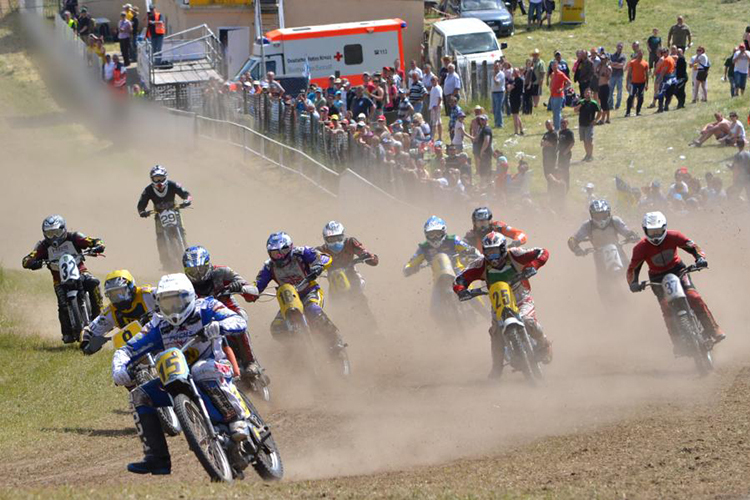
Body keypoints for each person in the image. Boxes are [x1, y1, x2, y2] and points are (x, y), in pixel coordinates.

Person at [112, 274, 251, 474]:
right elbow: (127, 349)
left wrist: (220, 325)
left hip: (216, 365)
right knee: (139, 396)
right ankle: (156, 458)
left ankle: (237, 418)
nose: (174, 308)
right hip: (177, 373)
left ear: (190, 297)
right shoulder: (157, 324)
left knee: (201, 369)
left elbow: (238, 319)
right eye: (167, 303)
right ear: (159, 303)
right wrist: (119, 367)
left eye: (178, 301)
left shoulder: (207, 306)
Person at [453, 232, 552, 378]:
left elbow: (542, 252)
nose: (493, 256)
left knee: (528, 321)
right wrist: (461, 291)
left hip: (521, 298)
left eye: (495, 251)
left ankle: (544, 343)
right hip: (498, 303)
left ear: (503, 248)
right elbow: (460, 279)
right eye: (489, 252)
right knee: (495, 334)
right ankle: (496, 368)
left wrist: (533, 266)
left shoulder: (515, 254)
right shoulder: (480, 264)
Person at [627, 212, 725, 354]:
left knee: (694, 297)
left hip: (678, 270)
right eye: (651, 231)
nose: (655, 235)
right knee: (666, 308)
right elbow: (633, 269)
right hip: (657, 278)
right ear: (645, 230)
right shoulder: (640, 248)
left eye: (658, 231)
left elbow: (693, 246)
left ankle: (714, 329)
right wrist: (633, 283)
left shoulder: (674, 236)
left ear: (664, 228)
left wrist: (700, 259)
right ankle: (678, 344)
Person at [181, 246, 267, 384]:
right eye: (192, 271)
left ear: (208, 265)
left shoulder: (222, 272)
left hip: (228, 309)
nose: (197, 275)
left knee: (240, 321)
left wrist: (239, 287)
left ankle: (250, 362)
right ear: (185, 270)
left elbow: (254, 292)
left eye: (201, 269)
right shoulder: (182, 283)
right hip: (201, 318)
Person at [251, 232, 346, 355]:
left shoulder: (301, 253)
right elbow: (257, 285)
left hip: (309, 292)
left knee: (313, 310)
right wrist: (246, 290)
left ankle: (334, 338)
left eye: (283, 251)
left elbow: (324, 257)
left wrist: (318, 266)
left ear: (290, 247)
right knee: (276, 328)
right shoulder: (269, 267)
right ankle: (296, 350)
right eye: (275, 253)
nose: (280, 256)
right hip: (288, 300)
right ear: (269, 253)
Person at [21, 215, 105, 343]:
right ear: (44, 234)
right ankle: (67, 333)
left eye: (57, 232)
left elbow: (95, 240)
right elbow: (27, 260)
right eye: (50, 234)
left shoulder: (74, 237)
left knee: (93, 283)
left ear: (64, 229)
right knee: (62, 303)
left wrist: (97, 246)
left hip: (80, 271)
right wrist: (33, 263)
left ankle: (99, 316)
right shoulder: (42, 246)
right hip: (59, 280)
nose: (54, 237)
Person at [403, 217, 481, 314]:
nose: (435, 237)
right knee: (434, 311)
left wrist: (471, 252)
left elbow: (469, 249)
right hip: (438, 280)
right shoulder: (424, 248)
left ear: (443, 231)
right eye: (432, 234)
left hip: (458, 273)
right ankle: (446, 325)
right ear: (426, 234)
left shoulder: (453, 240)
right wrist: (409, 268)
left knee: (475, 298)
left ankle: (488, 316)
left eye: (438, 233)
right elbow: (412, 261)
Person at [316, 221, 379, 325]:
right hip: (334, 281)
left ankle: (373, 327)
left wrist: (368, 257)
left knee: (360, 299)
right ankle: (344, 330)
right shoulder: (321, 250)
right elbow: (308, 262)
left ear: (343, 236)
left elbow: (370, 257)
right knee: (337, 308)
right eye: (332, 239)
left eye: (338, 238)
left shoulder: (350, 243)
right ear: (325, 239)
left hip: (352, 274)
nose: (336, 242)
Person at [568, 200, 639, 291]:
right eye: (597, 216)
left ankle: (637, 287)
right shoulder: (588, 225)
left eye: (603, 215)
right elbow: (573, 239)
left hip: (617, 249)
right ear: (592, 215)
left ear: (608, 213)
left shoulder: (615, 220)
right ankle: (607, 298)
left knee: (630, 269)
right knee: (602, 281)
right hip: (598, 253)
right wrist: (577, 249)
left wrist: (632, 236)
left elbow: (626, 231)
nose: (600, 218)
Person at [79, 270, 154, 355]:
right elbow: (89, 331)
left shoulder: (147, 295)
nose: (117, 299)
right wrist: (86, 344)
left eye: (120, 293)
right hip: (136, 350)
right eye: (113, 295)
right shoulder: (111, 312)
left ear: (131, 288)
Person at [136, 165, 192, 269]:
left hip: (174, 211)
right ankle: (165, 262)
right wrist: (143, 212)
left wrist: (186, 201)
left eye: (161, 178)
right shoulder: (148, 190)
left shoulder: (173, 185)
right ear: (151, 179)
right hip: (159, 214)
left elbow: (186, 193)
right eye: (156, 179)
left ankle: (188, 256)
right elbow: (141, 204)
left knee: (182, 232)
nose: (159, 182)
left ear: (165, 177)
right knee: (160, 237)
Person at [574, 88, 599, 162]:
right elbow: (575, 110)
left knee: (589, 141)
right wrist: (580, 105)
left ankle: (590, 155)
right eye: (586, 93)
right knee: (584, 141)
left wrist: (595, 120)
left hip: (589, 125)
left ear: (591, 94)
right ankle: (587, 154)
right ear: (584, 94)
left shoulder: (594, 103)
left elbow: (600, 111)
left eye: (589, 93)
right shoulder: (581, 102)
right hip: (582, 124)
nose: (588, 94)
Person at [548, 60, 571, 131]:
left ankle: (557, 128)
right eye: (552, 66)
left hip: (559, 96)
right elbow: (551, 83)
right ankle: (561, 124)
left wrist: (562, 89)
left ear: (557, 65)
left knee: (557, 112)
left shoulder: (561, 74)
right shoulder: (552, 74)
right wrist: (551, 87)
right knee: (554, 112)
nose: (553, 67)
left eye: (555, 65)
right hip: (552, 95)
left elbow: (569, 82)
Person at [625, 51, 649, 117]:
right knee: (631, 97)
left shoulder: (645, 63)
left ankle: (638, 111)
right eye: (639, 54)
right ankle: (628, 112)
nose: (640, 56)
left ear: (643, 55)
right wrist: (627, 83)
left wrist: (647, 84)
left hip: (642, 83)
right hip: (634, 83)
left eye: (641, 54)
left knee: (641, 97)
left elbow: (647, 74)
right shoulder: (632, 62)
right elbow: (629, 73)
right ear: (637, 55)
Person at [473, 115, 493, 184]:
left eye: (483, 119)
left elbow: (486, 141)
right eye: (480, 120)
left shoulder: (486, 129)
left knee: (485, 170)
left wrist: (482, 151)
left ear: (486, 120)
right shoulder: (482, 129)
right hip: (483, 153)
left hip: (485, 153)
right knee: (483, 170)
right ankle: (484, 184)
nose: (481, 121)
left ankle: (486, 185)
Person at [541, 120, 558, 192]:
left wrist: (546, 143)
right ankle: (550, 188)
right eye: (546, 125)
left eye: (548, 124)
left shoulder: (554, 134)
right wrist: (546, 143)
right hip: (545, 157)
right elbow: (541, 143)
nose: (547, 126)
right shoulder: (546, 134)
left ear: (552, 124)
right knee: (546, 173)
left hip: (551, 157)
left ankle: (554, 187)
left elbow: (552, 144)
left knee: (551, 172)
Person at [609, 43, 627, 110]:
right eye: (619, 47)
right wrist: (616, 64)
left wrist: (614, 64)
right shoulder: (612, 56)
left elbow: (622, 65)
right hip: (612, 75)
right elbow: (610, 64)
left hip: (620, 76)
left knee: (619, 91)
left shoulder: (623, 56)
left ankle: (617, 105)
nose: (620, 48)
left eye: (621, 47)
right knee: (610, 90)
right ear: (616, 47)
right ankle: (611, 105)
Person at [595, 55, 612, 124]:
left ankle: (603, 119)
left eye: (603, 59)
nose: (602, 60)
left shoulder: (608, 67)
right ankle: (607, 119)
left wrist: (605, 74)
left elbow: (608, 77)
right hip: (600, 86)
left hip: (605, 86)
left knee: (604, 103)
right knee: (603, 102)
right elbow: (596, 72)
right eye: (601, 59)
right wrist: (599, 66)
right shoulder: (600, 66)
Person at [508, 67, 525, 135]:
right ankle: (521, 129)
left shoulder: (519, 80)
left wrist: (510, 86)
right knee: (516, 115)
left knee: (515, 115)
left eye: (515, 72)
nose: (513, 73)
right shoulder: (514, 80)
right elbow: (508, 87)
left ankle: (516, 131)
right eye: (513, 72)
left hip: (516, 99)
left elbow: (511, 87)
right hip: (513, 99)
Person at [429, 75, 443, 142]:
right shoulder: (433, 88)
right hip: (433, 106)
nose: (432, 81)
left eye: (434, 80)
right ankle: (437, 137)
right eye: (431, 80)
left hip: (436, 107)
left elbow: (440, 98)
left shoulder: (438, 88)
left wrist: (437, 106)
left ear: (437, 80)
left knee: (435, 123)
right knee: (437, 122)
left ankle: (433, 137)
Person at [491, 60, 505, 129]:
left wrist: (494, 77)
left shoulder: (501, 74)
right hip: (494, 92)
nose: (495, 68)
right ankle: (496, 122)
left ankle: (499, 124)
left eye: (497, 66)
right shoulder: (494, 73)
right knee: (494, 108)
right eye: (494, 66)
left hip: (499, 93)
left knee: (498, 109)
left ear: (499, 67)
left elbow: (497, 83)